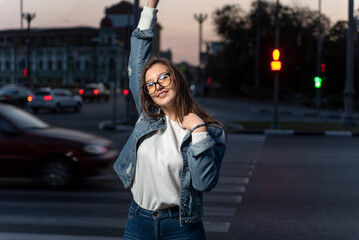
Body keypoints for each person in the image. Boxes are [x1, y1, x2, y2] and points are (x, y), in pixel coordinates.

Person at [113, 0, 226, 239]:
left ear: (177, 79)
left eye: (163, 77)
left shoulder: (211, 131)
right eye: (151, 84)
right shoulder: (147, 117)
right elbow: (137, 57)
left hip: (182, 226)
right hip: (138, 221)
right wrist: (150, 6)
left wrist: (198, 130)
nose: (157, 86)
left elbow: (205, 182)